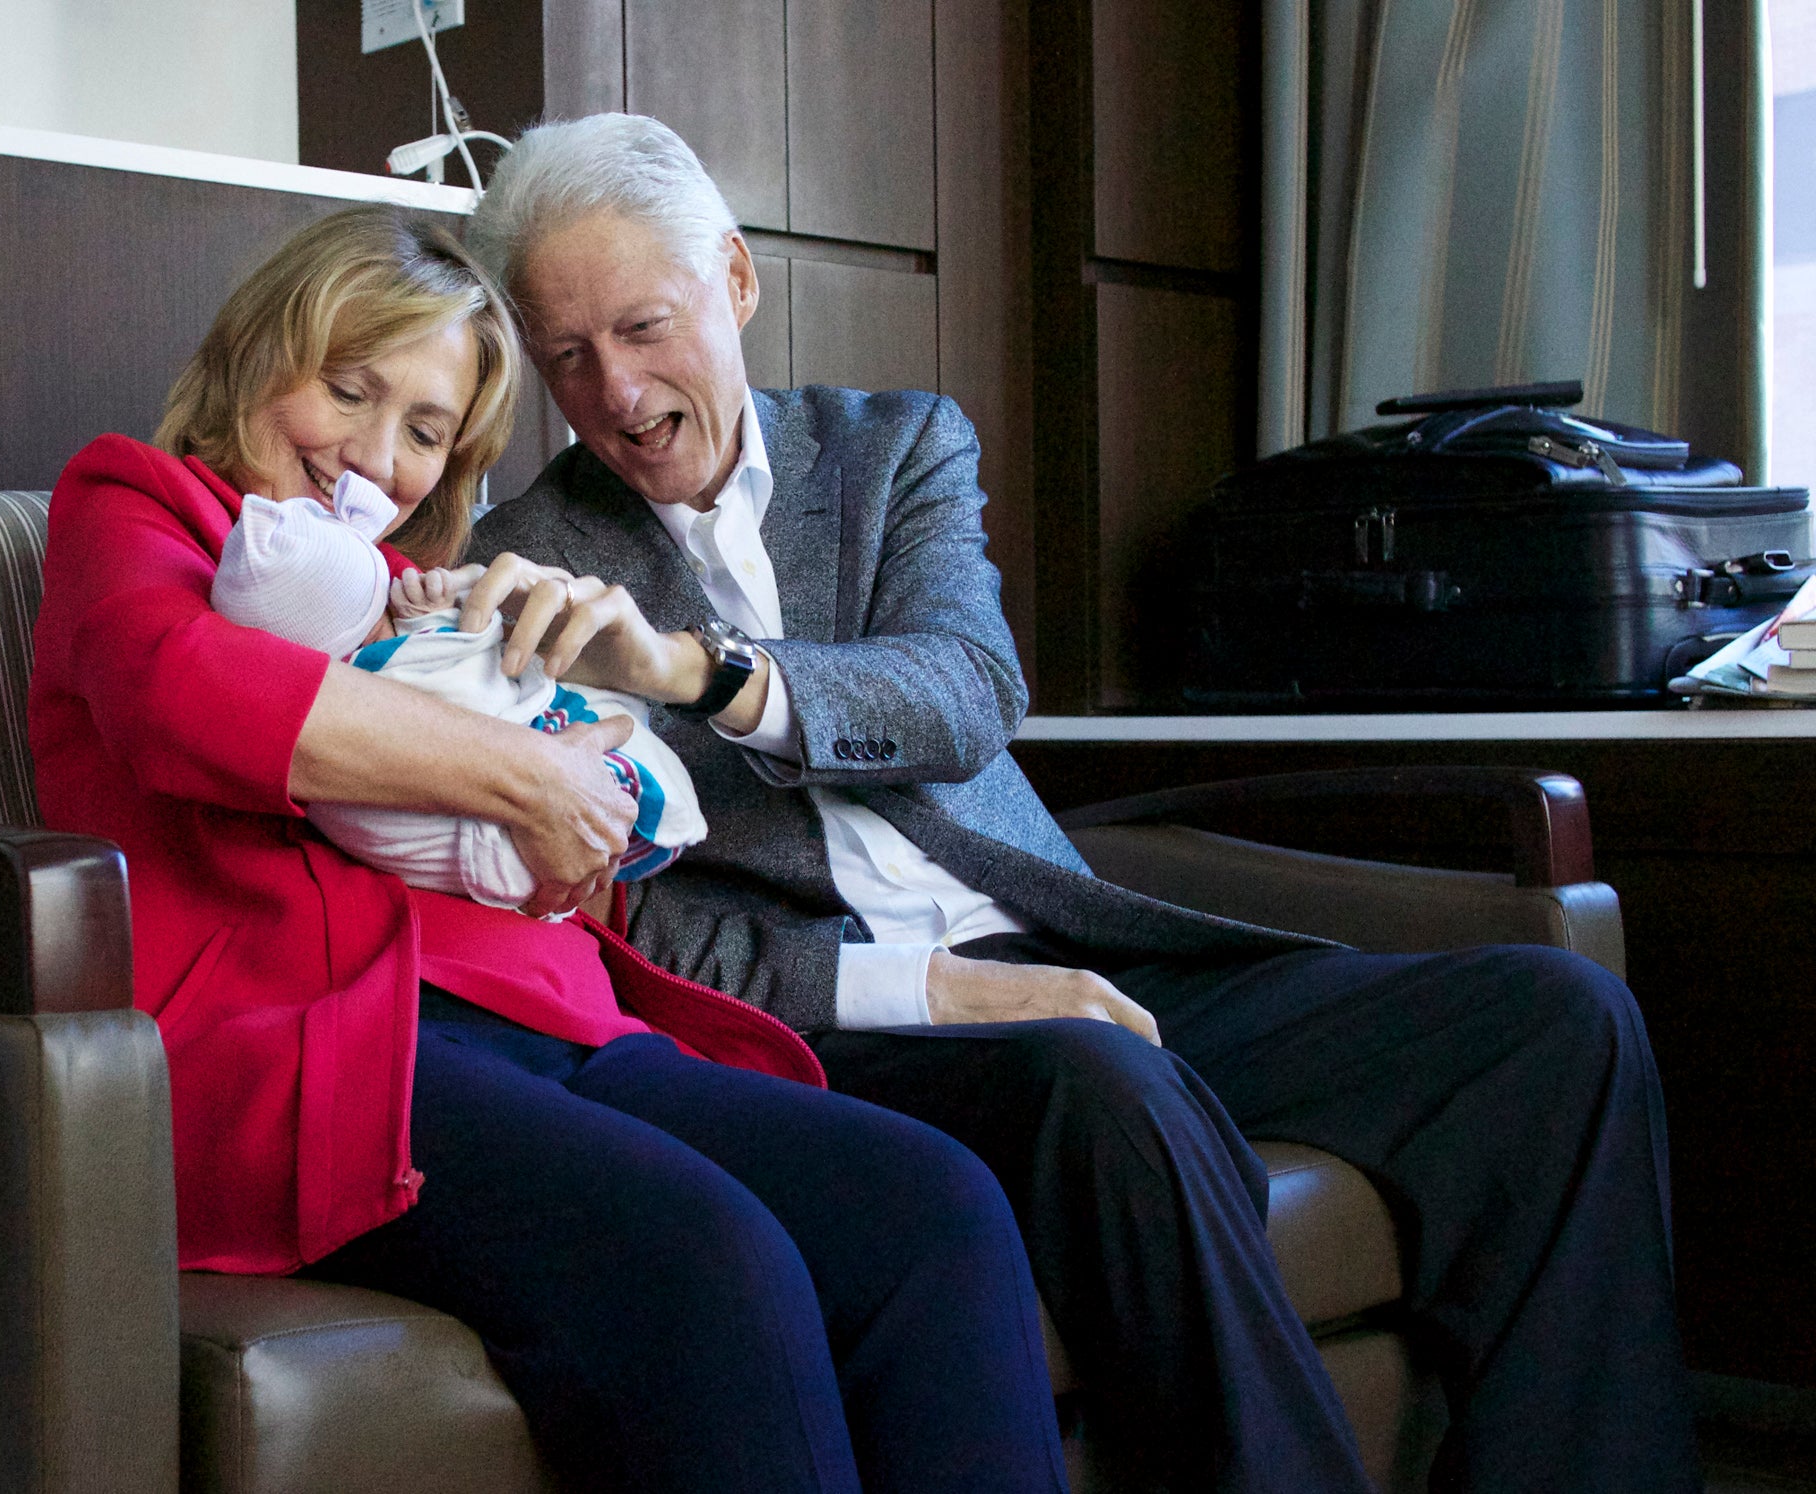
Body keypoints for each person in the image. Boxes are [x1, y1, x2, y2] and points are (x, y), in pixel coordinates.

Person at [462, 113, 1701, 1494]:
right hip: (865, 1029)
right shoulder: (530, 569)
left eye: (642, 326)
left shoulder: (892, 450)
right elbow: (643, 927)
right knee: (1102, 1081)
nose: (616, 391)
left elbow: (966, 689)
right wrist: (941, 989)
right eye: (566, 356)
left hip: (1080, 951)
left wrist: (699, 670)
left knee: (1558, 1022)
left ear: (737, 282)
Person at [27, 202, 1071, 1493]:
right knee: (707, 1253)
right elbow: (180, 690)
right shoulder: (138, 503)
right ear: (255, 356)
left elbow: (575, 813)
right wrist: (532, 778)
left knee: (934, 1206)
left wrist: (588, 826)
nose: (371, 452)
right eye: (348, 389)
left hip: (545, 1020)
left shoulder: (420, 592)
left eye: (424, 430)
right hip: (306, 1046)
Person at [208, 472, 705, 906]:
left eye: (424, 435)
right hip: (537, 847)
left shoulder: (387, 628)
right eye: (346, 395)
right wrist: (451, 619)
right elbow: (464, 670)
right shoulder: (389, 668)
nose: (379, 461)